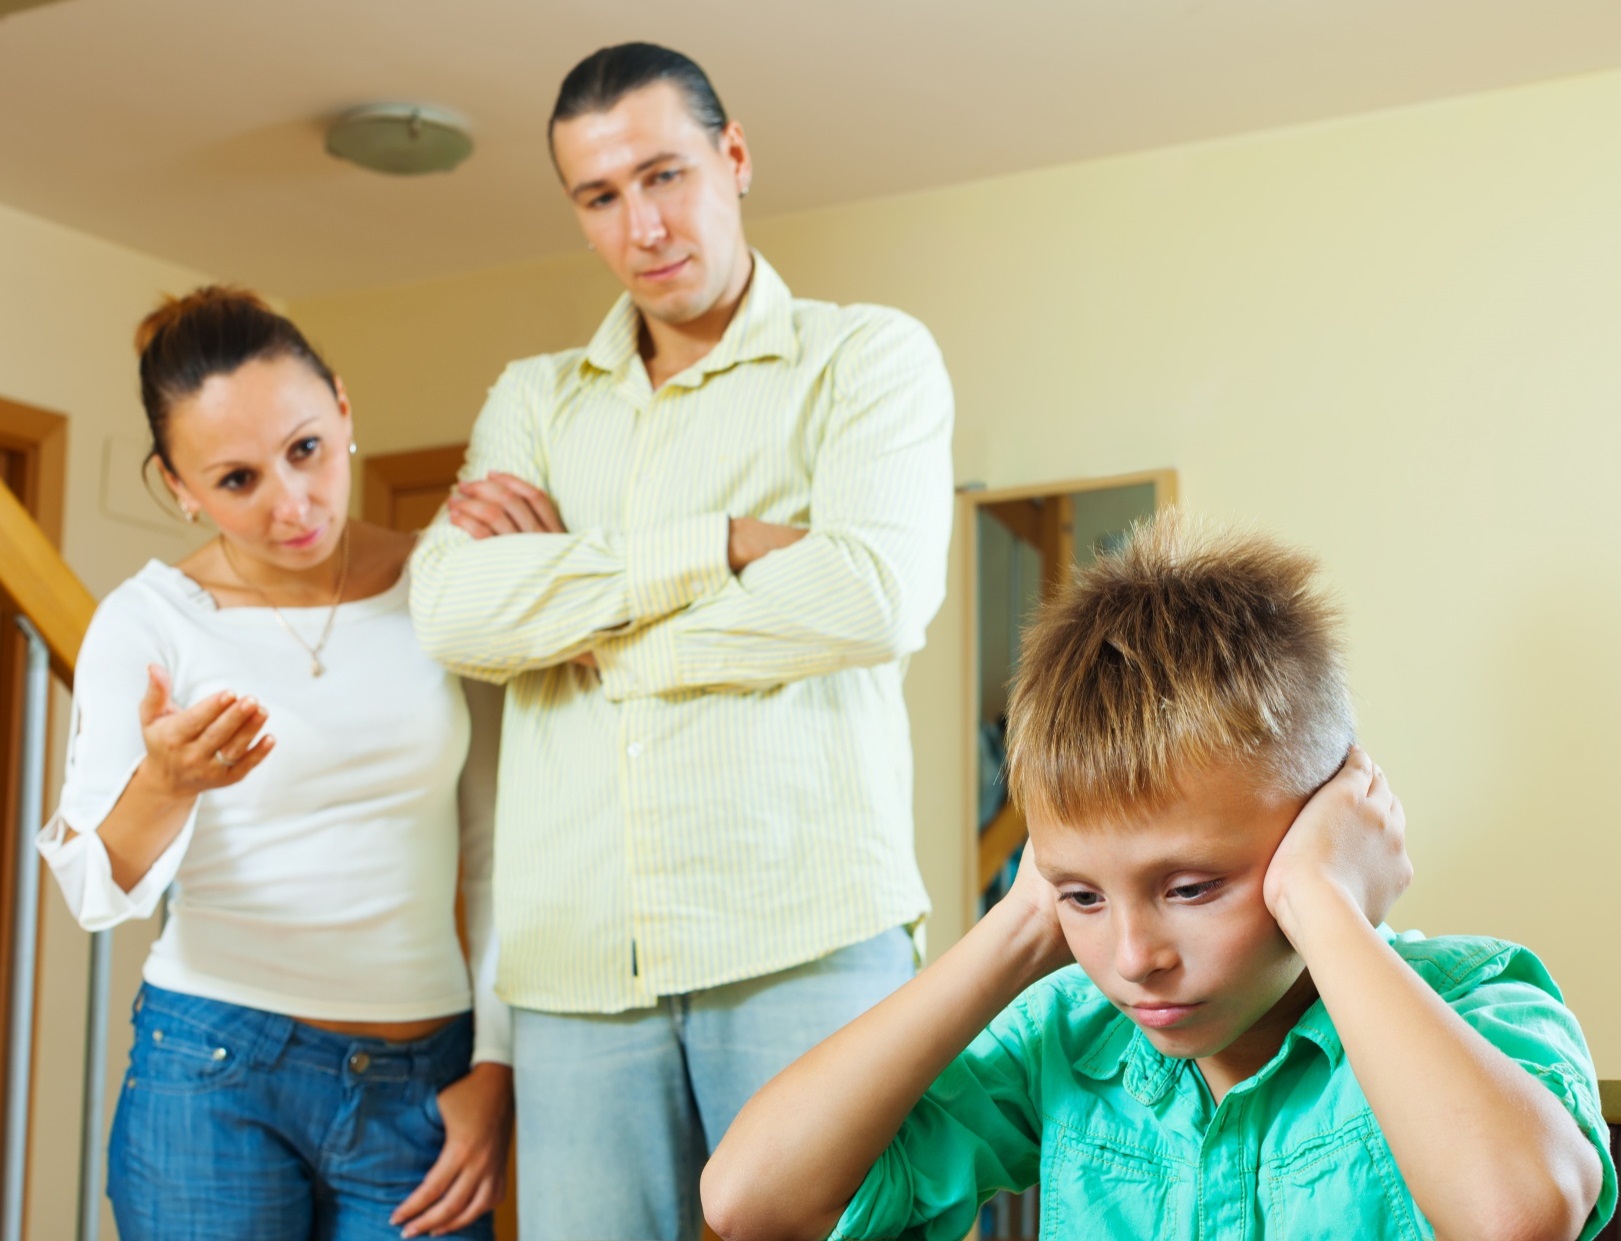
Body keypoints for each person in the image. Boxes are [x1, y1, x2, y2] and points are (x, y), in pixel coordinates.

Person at [703, 512, 1616, 1241]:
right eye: (1084, 895)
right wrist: (1027, 917)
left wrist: (1323, 907)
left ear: (1319, 838)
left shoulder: (1481, 999)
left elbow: (1514, 1216)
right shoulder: (1064, 1039)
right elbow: (750, 1200)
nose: (1133, 957)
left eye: (1187, 889)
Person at [408, 41, 954, 1241]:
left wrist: (592, 639)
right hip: (574, 971)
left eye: (664, 175)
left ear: (735, 156)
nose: (641, 224)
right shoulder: (535, 399)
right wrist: (720, 545)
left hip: (804, 934)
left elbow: (870, 595)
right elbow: (451, 609)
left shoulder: (867, 358)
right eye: (599, 196)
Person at [37, 288, 512, 1240]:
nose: (293, 505)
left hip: (426, 1081)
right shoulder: (151, 620)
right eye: (237, 480)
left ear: (341, 407)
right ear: (178, 487)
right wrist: (167, 786)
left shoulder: (445, 583)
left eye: (306, 450)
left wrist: (495, 1065)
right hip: (213, 1068)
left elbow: (502, 843)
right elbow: (98, 890)